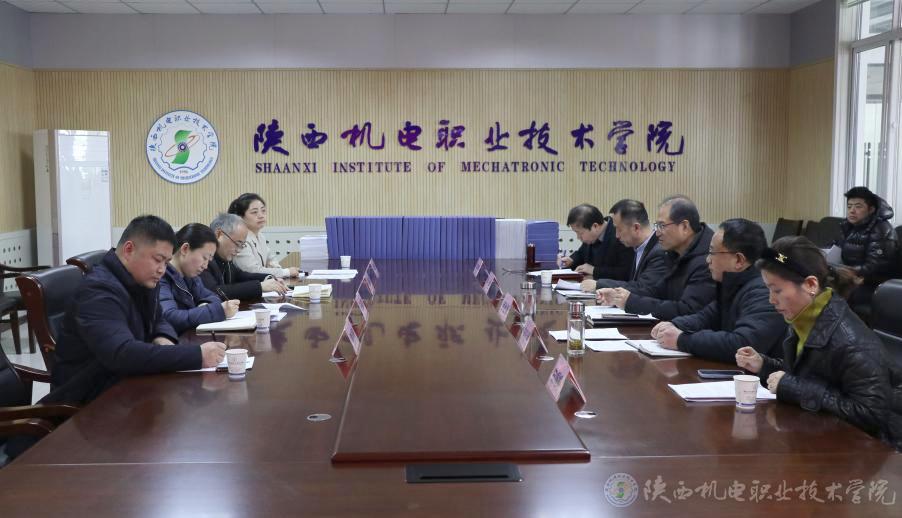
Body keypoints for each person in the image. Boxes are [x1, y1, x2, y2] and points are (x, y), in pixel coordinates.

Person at [736, 236, 901, 451]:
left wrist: (792, 387)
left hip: (868, 453)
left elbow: (870, 415)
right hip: (823, 438)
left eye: (777, 290)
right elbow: (810, 374)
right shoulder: (805, 316)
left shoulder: (851, 342)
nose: (771, 300)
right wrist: (764, 365)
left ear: (811, 285)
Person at [50, 215, 226, 404]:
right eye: (158, 260)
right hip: (89, 400)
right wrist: (197, 355)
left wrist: (162, 337)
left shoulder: (141, 278)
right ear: (129, 250)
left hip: (127, 384)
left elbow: (158, 318)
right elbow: (122, 353)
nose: (162, 270)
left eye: (166, 262)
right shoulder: (98, 291)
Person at [651, 218, 785, 364]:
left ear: (739, 260)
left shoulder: (764, 292)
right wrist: (674, 325)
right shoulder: (734, 283)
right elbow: (705, 318)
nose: (707, 260)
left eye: (712, 252)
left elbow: (742, 345)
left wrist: (681, 340)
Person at [598, 195, 715, 320]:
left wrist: (631, 302)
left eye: (662, 226)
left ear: (684, 227)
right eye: (657, 226)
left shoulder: (708, 260)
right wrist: (618, 295)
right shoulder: (675, 253)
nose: (657, 233)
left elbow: (688, 310)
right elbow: (657, 291)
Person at [160, 223, 240, 334]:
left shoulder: (191, 275)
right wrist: (216, 311)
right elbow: (170, 317)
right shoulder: (161, 276)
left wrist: (205, 306)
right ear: (185, 249)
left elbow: (212, 297)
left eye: (209, 260)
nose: (205, 266)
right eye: (204, 258)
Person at [833, 186, 899, 313]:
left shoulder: (882, 230)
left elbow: (876, 266)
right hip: (851, 276)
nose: (852, 211)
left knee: (833, 295)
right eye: (849, 206)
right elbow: (835, 248)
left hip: (874, 283)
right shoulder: (848, 226)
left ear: (871, 209)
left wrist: (851, 271)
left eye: (858, 207)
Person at [582, 199, 669, 292]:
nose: (616, 236)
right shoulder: (638, 247)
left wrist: (599, 284)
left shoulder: (659, 252)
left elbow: (643, 287)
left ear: (636, 228)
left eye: (619, 229)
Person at [201, 213, 288, 300]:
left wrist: (268, 278)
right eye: (237, 243)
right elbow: (214, 291)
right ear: (219, 234)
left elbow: (240, 275)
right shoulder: (203, 258)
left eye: (242, 245)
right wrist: (260, 286)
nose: (239, 250)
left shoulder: (224, 257)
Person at [228, 193, 299, 278]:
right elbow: (253, 271)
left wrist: (276, 268)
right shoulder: (240, 239)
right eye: (254, 212)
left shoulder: (260, 236)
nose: (261, 216)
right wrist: (285, 272)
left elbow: (271, 259)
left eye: (263, 210)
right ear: (240, 217)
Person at [560, 203, 633, 281]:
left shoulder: (620, 236)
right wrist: (571, 260)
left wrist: (594, 271)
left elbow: (625, 273)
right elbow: (581, 253)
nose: (578, 237)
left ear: (595, 226)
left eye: (580, 233)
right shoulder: (592, 237)